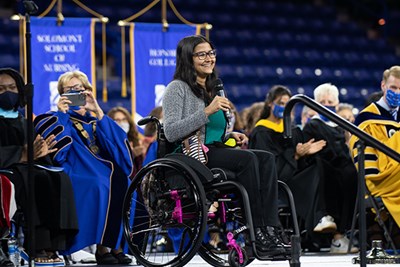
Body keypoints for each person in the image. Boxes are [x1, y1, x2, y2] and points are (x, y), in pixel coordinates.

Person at [162, 35, 287, 256]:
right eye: (201, 54)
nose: (209, 58)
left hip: (214, 149)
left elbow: (213, 131)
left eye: (211, 53)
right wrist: (207, 111)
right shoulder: (177, 88)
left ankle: (271, 229)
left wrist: (232, 135)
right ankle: (255, 231)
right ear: (187, 58)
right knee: (247, 159)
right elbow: (171, 132)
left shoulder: (214, 87)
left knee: (265, 157)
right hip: (190, 154)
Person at [34, 70, 133, 264]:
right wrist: (62, 115)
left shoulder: (96, 119)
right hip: (75, 169)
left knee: (124, 181)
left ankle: (115, 245)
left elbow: (121, 152)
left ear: (88, 91)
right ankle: (102, 249)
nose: (75, 93)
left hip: (101, 168)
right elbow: (59, 155)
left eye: (79, 88)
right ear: (61, 94)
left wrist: (98, 111)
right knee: (99, 183)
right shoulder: (53, 118)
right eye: (69, 89)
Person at [0, 68, 79, 264]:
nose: (7, 93)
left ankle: (54, 245)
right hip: (7, 169)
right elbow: (25, 153)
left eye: (12, 88)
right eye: (0, 89)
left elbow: (37, 152)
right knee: (35, 179)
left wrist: (42, 152)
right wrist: (22, 154)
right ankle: (35, 245)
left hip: (27, 167)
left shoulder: (26, 122)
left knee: (59, 177)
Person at [248, 85, 332, 242]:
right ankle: (318, 220)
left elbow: (298, 162)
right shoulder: (262, 132)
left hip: (291, 175)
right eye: (280, 103)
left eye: (287, 104)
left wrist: (304, 154)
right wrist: (295, 155)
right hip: (276, 183)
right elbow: (271, 168)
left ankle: (322, 221)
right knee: (315, 174)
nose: (284, 108)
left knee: (321, 165)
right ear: (269, 104)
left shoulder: (291, 131)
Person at [302, 83, 358, 253]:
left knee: (351, 173)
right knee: (329, 171)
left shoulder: (342, 126)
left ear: (337, 103)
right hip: (321, 167)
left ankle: (342, 232)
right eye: (322, 101)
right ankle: (325, 219)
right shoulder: (313, 125)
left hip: (342, 168)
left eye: (330, 101)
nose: (327, 104)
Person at [349, 65, 400, 235]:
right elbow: (367, 169)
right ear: (383, 86)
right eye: (393, 87)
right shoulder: (366, 119)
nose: (397, 92)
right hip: (383, 178)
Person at [107, 106, 145, 178]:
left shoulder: (136, 142)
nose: (121, 123)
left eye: (124, 119)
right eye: (117, 120)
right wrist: (130, 154)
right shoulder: (108, 142)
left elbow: (140, 171)